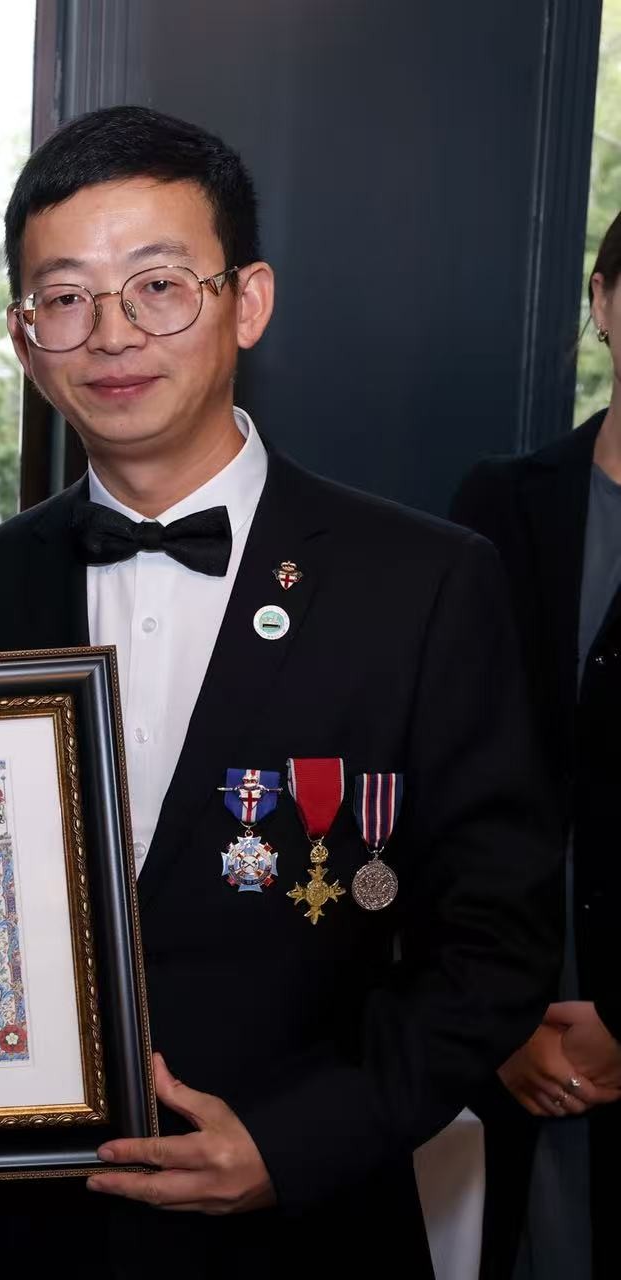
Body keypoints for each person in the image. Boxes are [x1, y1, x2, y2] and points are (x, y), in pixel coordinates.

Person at [0, 105, 562, 1277]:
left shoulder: (421, 580)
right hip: (27, 1230)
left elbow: (496, 940)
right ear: (23, 338)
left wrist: (293, 1140)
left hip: (307, 1227)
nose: (110, 332)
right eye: (62, 297)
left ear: (244, 301)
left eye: (156, 285)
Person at [449, 210, 621, 1280]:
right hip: (510, 1002)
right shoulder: (501, 502)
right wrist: (494, 1021)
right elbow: (447, 773)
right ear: (602, 301)